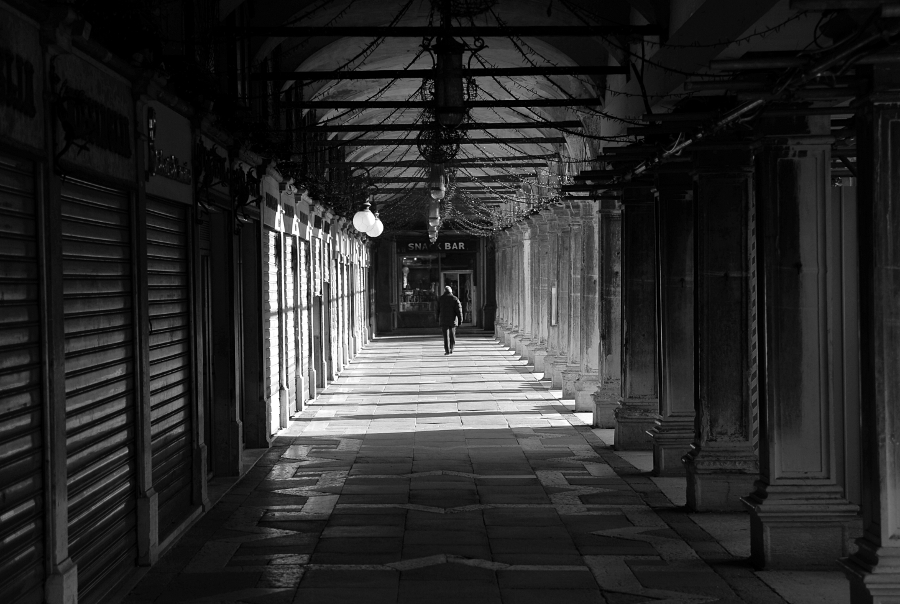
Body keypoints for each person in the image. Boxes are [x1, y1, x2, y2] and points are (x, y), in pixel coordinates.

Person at [436, 285, 463, 355]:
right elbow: (459, 311)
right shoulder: (455, 299)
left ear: (444, 291)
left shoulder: (440, 299)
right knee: (452, 335)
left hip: (443, 319)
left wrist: (437, 318)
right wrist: (460, 320)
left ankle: (447, 350)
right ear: (451, 291)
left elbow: (437, 310)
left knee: (446, 336)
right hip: (453, 320)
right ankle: (451, 348)